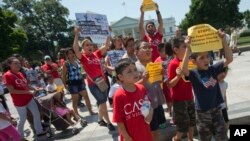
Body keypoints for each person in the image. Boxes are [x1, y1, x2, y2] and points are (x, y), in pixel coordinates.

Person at [180, 29, 233, 141]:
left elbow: (229, 59)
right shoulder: (194, 73)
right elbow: (183, 69)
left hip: (216, 110)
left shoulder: (213, 69)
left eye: (207, 56)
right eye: (202, 58)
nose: (206, 60)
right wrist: (188, 49)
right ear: (194, 61)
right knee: (205, 138)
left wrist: (223, 41)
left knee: (223, 136)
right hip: (202, 113)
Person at [73, 26, 115, 131]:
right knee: (103, 102)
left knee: (102, 102)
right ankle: (109, 123)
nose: (90, 46)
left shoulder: (96, 54)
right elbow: (75, 49)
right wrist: (77, 34)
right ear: (83, 48)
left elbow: (106, 45)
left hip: (103, 81)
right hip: (93, 84)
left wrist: (108, 33)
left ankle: (100, 120)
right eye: (87, 45)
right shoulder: (83, 57)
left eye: (90, 44)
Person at [2, 57, 46, 140]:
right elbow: (12, 91)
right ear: (9, 65)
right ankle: (19, 136)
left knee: (36, 113)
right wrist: (28, 92)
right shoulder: (7, 75)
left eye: (19, 63)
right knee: (22, 118)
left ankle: (39, 131)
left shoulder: (20, 73)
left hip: (29, 98)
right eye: (15, 63)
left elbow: (26, 85)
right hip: (19, 102)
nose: (19, 65)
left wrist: (35, 88)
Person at [112, 58, 153, 141]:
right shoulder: (119, 95)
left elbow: (149, 104)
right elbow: (119, 120)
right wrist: (126, 137)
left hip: (145, 133)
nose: (134, 73)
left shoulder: (142, 88)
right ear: (121, 77)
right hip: (130, 137)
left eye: (135, 70)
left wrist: (150, 114)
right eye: (129, 72)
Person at [135, 41, 166, 141]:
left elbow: (159, 82)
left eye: (149, 47)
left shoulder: (154, 65)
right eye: (144, 47)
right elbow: (131, 87)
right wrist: (143, 80)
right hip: (146, 106)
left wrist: (161, 75)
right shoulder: (134, 67)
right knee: (150, 130)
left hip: (156, 102)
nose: (148, 49)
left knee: (156, 129)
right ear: (136, 52)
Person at [168, 37, 195, 141]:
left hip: (190, 97)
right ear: (176, 49)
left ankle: (191, 139)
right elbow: (170, 85)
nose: (187, 47)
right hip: (179, 100)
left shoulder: (189, 61)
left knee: (192, 120)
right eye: (184, 46)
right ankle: (177, 139)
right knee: (182, 123)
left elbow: (190, 78)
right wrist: (178, 76)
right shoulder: (173, 64)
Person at [62, 48, 95, 116]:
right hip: (72, 83)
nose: (72, 54)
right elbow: (63, 75)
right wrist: (65, 86)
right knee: (75, 100)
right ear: (67, 55)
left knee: (86, 96)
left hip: (80, 82)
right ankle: (76, 114)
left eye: (72, 53)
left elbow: (79, 72)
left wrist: (83, 80)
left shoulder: (77, 61)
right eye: (70, 53)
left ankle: (90, 111)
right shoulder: (66, 64)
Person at [154, 42, 174, 117]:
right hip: (164, 82)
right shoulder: (157, 61)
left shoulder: (171, 58)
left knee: (173, 96)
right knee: (168, 98)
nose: (165, 53)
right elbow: (156, 73)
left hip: (172, 80)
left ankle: (173, 111)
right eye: (162, 51)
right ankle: (170, 111)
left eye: (165, 51)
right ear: (159, 52)